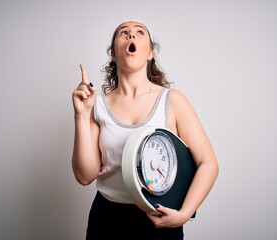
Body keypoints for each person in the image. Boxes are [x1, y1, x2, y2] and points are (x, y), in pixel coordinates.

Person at [71, 20, 219, 240]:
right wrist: (81, 116)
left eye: (140, 33)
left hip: (160, 219)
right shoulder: (96, 105)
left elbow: (209, 164)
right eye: (124, 33)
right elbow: (85, 176)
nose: (131, 36)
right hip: (107, 219)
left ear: (150, 53)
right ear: (113, 53)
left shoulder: (172, 100)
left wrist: (184, 214)